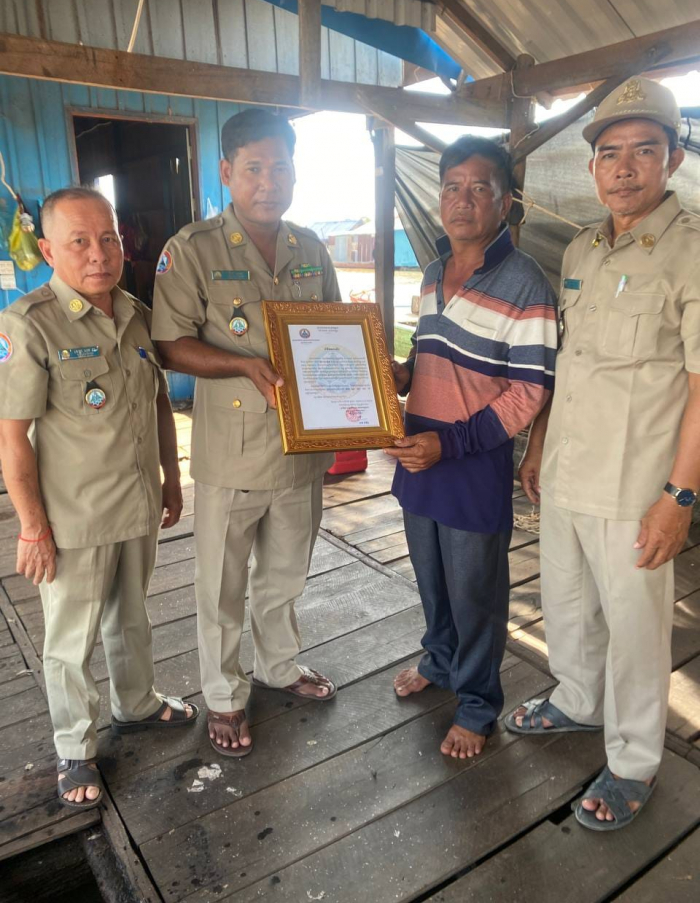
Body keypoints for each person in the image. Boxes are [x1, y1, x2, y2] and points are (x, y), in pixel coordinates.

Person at [506, 77, 700, 831]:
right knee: (566, 603)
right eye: (609, 153)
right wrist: (538, 444)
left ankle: (633, 759)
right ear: (591, 168)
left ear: (673, 159)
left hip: (635, 488)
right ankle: (579, 699)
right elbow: (570, 362)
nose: (624, 168)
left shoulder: (691, 251)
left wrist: (679, 497)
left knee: (635, 630)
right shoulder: (583, 247)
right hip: (565, 470)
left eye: (643, 150)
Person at [151, 108, 341, 758]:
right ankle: (224, 692)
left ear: (294, 172)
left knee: (286, 573)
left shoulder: (310, 248)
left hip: (301, 449)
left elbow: (337, 335)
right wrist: (241, 364)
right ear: (227, 171)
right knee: (222, 584)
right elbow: (169, 343)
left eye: (280, 167)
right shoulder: (193, 249)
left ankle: (278, 666)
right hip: (232, 454)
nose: (268, 181)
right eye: (254, 168)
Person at [0, 187, 197, 809]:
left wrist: (170, 477)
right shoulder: (30, 322)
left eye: (108, 238)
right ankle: (75, 747)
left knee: (131, 614)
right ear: (48, 250)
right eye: (80, 241)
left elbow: (159, 401)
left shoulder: (135, 312)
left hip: (136, 503)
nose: (98, 254)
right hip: (74, 516)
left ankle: (135, 703)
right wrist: (32, 526)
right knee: (70, 640)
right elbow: (12, 436)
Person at [386, 137, 558, 760]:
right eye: (452, 187)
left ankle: (479, 705)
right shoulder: (433, 272)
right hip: (419, 454)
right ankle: (439, 660)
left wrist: (450, 441)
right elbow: (428, 355)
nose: (463, 200)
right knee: (432, 580)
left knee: (476, 593)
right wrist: (400, 376)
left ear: (505, 202)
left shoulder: (526, 282)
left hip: (471, 462)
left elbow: (530, 390)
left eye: (480, 188)